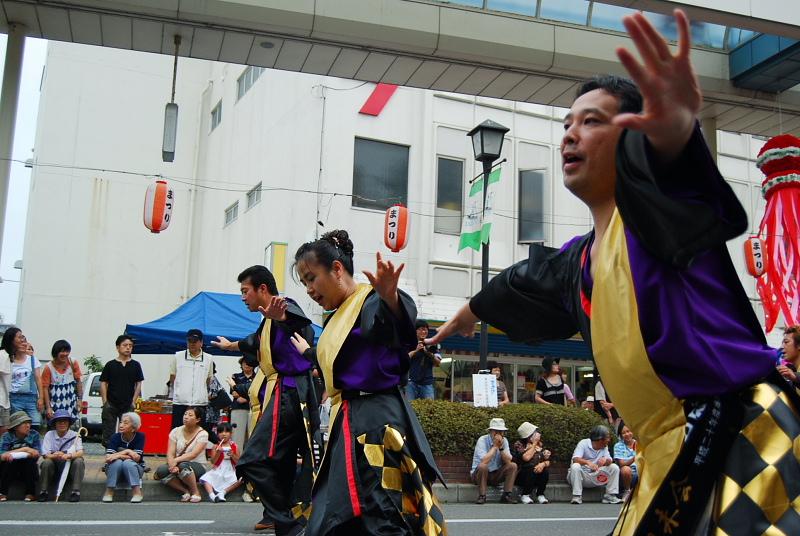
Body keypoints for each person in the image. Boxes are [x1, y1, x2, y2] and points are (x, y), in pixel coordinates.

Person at [428, 10, 799, 533]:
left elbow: (683, 196)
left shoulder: (654, 216)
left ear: (633, 139)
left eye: (592, 121)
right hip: (665, 455)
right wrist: (468, 312)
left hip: (743, 439)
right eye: (567, 125)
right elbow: (518, 281)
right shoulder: (578, 260)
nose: (570, 136)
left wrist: (674, 138)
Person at [293, 230, 445, 535]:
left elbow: (389, 325)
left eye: (312, 277)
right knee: (340, 515)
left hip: (375, 424)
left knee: (383, 513)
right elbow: (346, 361)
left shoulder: (369, 299)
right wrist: (310, 353)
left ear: (337, 269)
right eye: (304, 282)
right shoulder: (336, 316)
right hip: (349, 421)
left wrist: (390, 298)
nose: (309, 289)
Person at [212, 265, 316, 535]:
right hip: (286, 393)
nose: (243, 297)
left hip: (291, 394)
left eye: (245, 291)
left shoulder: (285, 307)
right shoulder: (267, 321)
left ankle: (287, 519)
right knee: (279, 461)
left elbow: (299, 326)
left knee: (252, 460)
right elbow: (254, 342)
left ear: (262, 289)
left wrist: (281, 316)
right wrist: (229, 346)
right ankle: (280, 517)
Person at [153, 406, 208, 502]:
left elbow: (193, 455)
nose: (186, 417)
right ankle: (185, 491)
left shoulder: (203, 434)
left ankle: (195, 492)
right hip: (177, 464)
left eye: (190, 415)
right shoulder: (175, 431)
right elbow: (170, 452)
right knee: (161, 471)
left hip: (196, 465)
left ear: (198, 419)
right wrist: (171, 465)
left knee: (183, 465)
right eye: (185, 414)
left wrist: (176, 461)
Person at [99, 335, 144, 446]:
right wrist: (105, 401)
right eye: (125, 345)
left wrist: (133, 401)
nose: (128, 348)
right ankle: (109, 456)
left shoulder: (135, 365)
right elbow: (103, 382)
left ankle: (125, 455)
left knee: (128, 431)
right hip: (111, 403)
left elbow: (138, 384)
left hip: (128, 404)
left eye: (130, 346)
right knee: (108, 432)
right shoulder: (110, 365)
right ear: (118, 347)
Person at [169, 329, 213, 429]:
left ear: (201, 342)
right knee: (177, 431)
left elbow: (209, 379)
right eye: (190, 341)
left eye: (195, 341)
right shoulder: (178, 356)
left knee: (198, 432)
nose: (192, 344)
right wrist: (179, 390)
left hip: (199, 402)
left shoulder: (208, 358)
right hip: (180, 401)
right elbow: (172, 377)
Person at [38, 409, 84, 502]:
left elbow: (80, 452)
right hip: (54, 466)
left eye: (65, 421)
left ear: (68, 423)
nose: (62, 424)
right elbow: (45, 454)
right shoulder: (49, 434)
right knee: (46, 462)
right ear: (55, 423)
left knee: (79, 461)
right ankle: (43, 491)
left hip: (69, 465)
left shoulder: (75, 435)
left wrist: (68, 455)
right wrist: (56, 455)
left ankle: (75, 492)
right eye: (59, 421)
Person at [568, 425, 621, 505]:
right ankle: (577, 496)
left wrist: (606, 461)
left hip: (595, 475)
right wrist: (588, 463)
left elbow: (610, 460)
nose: (609, 440)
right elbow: (575, 459)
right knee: (575, 466)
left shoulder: (604, 447)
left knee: (614, 467)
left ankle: (610, 496)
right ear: (600, 439)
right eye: (607, 438)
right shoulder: (584, 443)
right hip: (581, 476)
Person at [2, 328, 44, 428]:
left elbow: (38, 379)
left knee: (35, 423)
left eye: (25, 343)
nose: (23, 345)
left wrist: (41, 398)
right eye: (21, 342)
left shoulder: (33, 360)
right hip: (14, 398)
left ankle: (32, 443)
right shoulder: (9, 360)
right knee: (17, 425)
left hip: (31, 398)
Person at [470, 417, 518, 505]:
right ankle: (482, 496)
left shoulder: (505, 441)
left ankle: (506, 495)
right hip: (479, 474)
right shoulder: (482, 440)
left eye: (501, 431)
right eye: (496, 431)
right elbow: (484, 461)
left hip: (496, 474)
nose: (499, 434)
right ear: (490, 431)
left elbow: (508, 461)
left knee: (513, 466)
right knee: (483, 466)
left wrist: (501, 448)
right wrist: (495, 446)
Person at [103, 412, 145, 503]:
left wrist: (117, 455)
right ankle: (109, 492)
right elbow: (108, 458)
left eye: (125, 423)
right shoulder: (115, 437)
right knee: (116, 462)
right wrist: (128, 451)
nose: (121, 425)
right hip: (114, 469)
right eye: (121, 422)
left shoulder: (140, 436)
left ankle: (137, 493)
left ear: (133, 428)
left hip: (135, 470)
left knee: (128, 463)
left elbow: (136, 458)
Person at [0, 410, 41, 501]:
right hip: (11, 467)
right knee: (8, 461)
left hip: (27, 467)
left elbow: (36, 453)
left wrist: (13, 453)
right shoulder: (7, 436)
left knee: (30, 462)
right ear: (15, 427)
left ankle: (30, 493)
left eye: (28, 423)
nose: (28, 426)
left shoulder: (34, 434)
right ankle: (3, 492)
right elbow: (2, 455)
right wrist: (25, 449)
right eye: (24, 423)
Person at [41, 340, 83, 424]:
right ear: (56, 352)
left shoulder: (73, 362)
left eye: (67, 351)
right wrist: (48, 407)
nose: (65, 354)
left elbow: (78, 381)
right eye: (62, 351)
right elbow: (45, 388)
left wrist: (80, 400)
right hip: (55, 404)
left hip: (71, 403)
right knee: (56, 427)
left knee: (72, 427)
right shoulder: (48, 367)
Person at [200, 422, 242, 502]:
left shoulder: (235, 446)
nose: (224, 434)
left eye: (226, 432)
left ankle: (223, 492)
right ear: (217, 434)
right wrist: (218, 452)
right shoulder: (216, 446)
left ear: (231, 433)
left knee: (240, 478)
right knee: (206, 479)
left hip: (230, 468)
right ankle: (212, 495)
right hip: (218, 468)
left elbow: (238, 461)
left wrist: (232, 455)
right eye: (221, 432)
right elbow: (213, 461)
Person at [511, 421, 551, 505]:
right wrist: (534, 444)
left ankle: (540, 494)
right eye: (534, 433)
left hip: (536, 474)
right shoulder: (519, 444)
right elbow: (526, 458)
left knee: (545, 471)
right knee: (531, 467)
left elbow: (547, 461)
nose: (536, 434)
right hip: (522, 475)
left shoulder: (540, 444)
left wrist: (542, 464)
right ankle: (525, 494)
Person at [406, 319, 441, 400]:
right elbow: (403, 359)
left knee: (428, 410)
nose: (424, 331)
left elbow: (438, 363)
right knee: (410, 408)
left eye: (425, 329)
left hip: (427, 383)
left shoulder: (432, 344)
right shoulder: (410, 344)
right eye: (421, 329)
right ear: (415, 331)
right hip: (411, 382)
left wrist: (428, 353)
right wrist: (416, 350)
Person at [227, 356, 255, 449]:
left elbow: (259, 392)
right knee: (237, 436)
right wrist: (242, 396)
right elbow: (234, 392)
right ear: (241, 365)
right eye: (244, 363)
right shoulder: (236, 376)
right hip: (238, 408)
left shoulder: (258, 377)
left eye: (249, 363)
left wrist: (246, 399)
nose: (246, 365)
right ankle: (236, 460)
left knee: (252, 436)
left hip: (254, 409)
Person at [613, 421, 638, 503]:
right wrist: (634, 459)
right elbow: (621, 464)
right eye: (623, 433)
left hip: (640, 470)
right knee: (625, 469)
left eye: (628, 431)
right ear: (620, 435)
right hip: (626, 475)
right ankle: (627, 491)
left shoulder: (639, 443)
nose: (627, 434)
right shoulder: (618, 445)